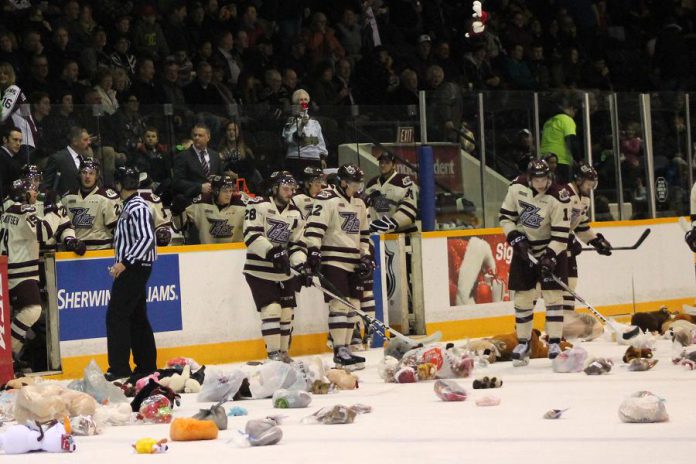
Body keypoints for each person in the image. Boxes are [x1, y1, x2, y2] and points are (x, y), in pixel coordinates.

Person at [498, 159, 571, 365]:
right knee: (522, 297)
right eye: (537, 179)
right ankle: (524, 342)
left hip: (552, 249)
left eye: (544, 178)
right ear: (529, 178)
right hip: (525, 251)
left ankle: (555, 342)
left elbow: (561, 235)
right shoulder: (516, 188)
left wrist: (550, 256)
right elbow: (505, 217)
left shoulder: (559, 197)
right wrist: (515, 237)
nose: (541, 183)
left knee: (553, 296)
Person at [302, 163, 371, 370]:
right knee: (339, 305)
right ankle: (339, 350)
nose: (358, 186)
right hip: (333, 259)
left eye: (359, 182)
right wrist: (313, 251)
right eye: (354, 183)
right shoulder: (326, 199)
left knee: (353, 307)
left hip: (353, 261)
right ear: (342, 182)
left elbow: (364, 235)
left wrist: (365, 256)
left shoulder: (359, 203)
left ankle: (346, 349)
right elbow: (314, 228)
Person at [0, 178, 68, 373]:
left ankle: (10, 355)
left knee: (23, 312)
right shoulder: (22, 211)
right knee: (33, 310)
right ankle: (8, 354)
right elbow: (43, 231)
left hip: (12, 268)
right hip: (21, 272)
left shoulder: (8, 210)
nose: (35, 193)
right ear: (23, 194)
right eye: (31, 190)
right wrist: (52, 210)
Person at [243, 171, 306, 363]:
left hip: (283, 272)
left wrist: (300, 264)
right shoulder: (258, 205)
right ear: (275, 188)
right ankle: (273, 355)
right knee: (272, 310)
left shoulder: (295, 212)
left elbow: (298, 243)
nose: (289, 193)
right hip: (259, 270)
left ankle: (284, 353)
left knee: (287, 312)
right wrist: (272, 252)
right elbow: (251, 235)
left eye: (292, 189)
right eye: (286, 189)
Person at [105, 165, 158, 381]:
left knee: (116, 316)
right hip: (137, 267)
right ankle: (146, 365)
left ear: (118, 184)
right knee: (137, 317)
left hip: (134, 268)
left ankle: (119, 369)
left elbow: (146, 238)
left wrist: (124, 263)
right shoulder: (133, 206)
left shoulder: (136, 207)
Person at [563, 162, 612, 333]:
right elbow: (554, 223)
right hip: (551, 245)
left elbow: (581, 225)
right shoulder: (564, 194)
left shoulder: (585, 199)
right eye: (588, 183)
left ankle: (566, 321)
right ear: (578, 179)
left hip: (565, 244)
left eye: (593, 184)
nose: (590, 187)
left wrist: (595, 241)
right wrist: (569, 239)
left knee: (570, 282)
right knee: (547, 288)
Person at [62, 159, 121, 250]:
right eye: (84, 172)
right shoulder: (67, 197)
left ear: (97, 176)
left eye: (91, 173)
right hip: (73, 251)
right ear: (79, 174)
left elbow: (117, 229)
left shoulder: (107, 198)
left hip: (101, 251)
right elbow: (62, 226)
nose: (87, 176)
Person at [172, 175, 246, 244]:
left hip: (235, 252)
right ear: (216, 191)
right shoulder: (201, 203)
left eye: (230, 191)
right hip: (207, 252)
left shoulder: (241, 204)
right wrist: (177, 212)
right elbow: (180, 226)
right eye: (225, 191)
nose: (228, 195)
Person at [365, 152, 419, 234]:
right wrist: (370, 224)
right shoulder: (372, 184)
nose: (383, 165)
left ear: (394, 165)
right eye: (381, 162)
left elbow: (410, 208)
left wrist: (391, 223)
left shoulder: (404, 181)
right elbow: (365, 208)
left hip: (404, 235)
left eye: (387, 163)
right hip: (380, 234)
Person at [282, 89, 327, 177]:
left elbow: (320, 142)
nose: (303, 102)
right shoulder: (291, 121)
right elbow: (289, 139)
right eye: (300, 100)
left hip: (314, 159)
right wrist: (301, 125)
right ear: (296, 102)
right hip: (297, 158)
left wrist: (322, 158)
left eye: (305, 99)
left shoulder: (314, 122)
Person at [173, 124, 222, 198]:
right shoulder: (183, 156)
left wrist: (216, 178)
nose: (196, 138)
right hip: (192, 199)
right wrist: (200, 187)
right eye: (195, 135)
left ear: (208, 138)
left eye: (200, 135)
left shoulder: (215, 155)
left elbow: (221, 176)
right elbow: (177, 182)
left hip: (214, 198)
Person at [540, 95, 581, 184]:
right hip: (561, 161)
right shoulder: (566, 120)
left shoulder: (548, 122)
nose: (574, 115)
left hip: (544, 161)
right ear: (572, 108)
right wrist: (579, 159)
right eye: (575, 112)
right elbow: (571, 140)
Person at [42, 126, 93, 195]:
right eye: (85, 140)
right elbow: (46, 186)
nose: (89, 142)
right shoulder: (58, 159)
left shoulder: (87, 159)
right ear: (75, 141)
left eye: (89, 139)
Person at [0, 62, 36, 150]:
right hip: (15, 141)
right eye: (0, 73)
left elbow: (1, 116)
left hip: (23, 140)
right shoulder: (3, 93)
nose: (2, 75)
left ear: (11, 75)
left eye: (5, 73)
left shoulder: (13, 89)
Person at [0, 126, 24, 201]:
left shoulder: (10, 157)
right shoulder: (2, 157)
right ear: (5, 139)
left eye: (20, 141)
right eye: (15, 140)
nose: (18, 144)